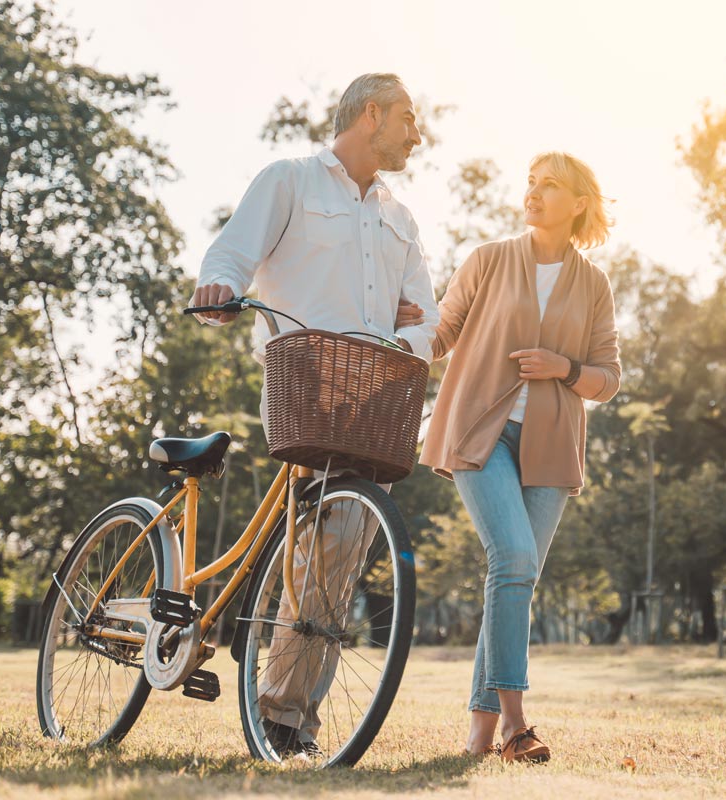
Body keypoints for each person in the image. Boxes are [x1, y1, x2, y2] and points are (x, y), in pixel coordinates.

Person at [192, 73, 439, 758]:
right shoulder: (291, 180)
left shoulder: (401, 217)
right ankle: (284, 716)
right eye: (408, 120)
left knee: (342, 547)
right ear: (370, 115)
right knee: (322, 546)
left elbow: (430, 315)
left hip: (376, 396)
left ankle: (287, 714)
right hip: (305, 386)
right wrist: (219, 286)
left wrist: (403, 334)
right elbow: (233, 251)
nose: (416, 135)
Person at [414, 151, 621, 763]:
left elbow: (608, 378)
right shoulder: (490, 259)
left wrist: (566, 369)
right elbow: (442, 331)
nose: (533, 194)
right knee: (512, 559)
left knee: (515, 576)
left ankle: (479, 736)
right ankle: (515, 725)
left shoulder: (594, 284)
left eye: (549, 186)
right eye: (530, 183)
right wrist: (395, 334)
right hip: (481, 431)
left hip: (552, 448)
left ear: (579, 202)